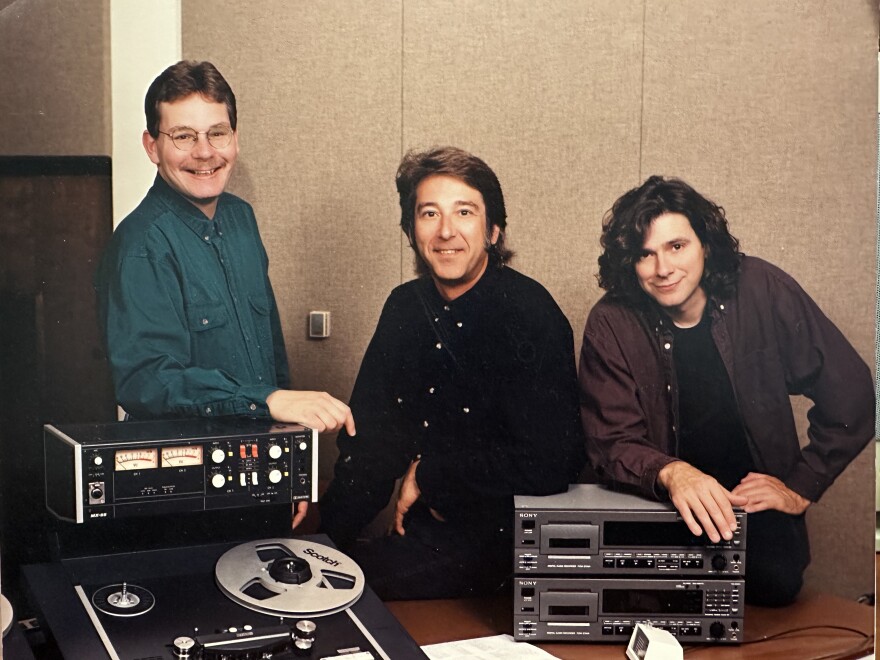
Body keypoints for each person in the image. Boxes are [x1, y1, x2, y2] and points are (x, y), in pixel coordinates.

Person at [579, 175, 874, 606]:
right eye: (645, 254)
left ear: (705, 244)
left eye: (676, 246)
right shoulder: (611, 320)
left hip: (748, 512)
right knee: (641, 603)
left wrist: (801, 484)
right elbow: (610, 440)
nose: (663, 269)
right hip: (656, 509)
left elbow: (852, 392)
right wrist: (674, 473)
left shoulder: (761, 287)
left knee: (774, 589)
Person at [95, 60, 354, 529]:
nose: (204, 152)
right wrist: (267, 400)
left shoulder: (240, 219)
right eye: (183, 136)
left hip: (258, 476)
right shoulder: (140, 244)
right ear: (152, 146)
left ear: (235, 138)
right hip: (184, 493)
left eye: (217, 133)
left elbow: (271, 355)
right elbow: (148, 381)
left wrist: (290, 464)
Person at [319, 146, 586, 600]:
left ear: (493, 230)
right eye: (429, 213)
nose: (446, 231)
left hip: (507, 547)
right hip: (421, 535)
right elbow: (371, 449)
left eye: (464, 212)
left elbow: (553, 462)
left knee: (351, 593)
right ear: (410, 231)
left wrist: (430, 476)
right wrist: (320, 543)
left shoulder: (531, 313)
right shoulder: (404, 306)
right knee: (314, 586)